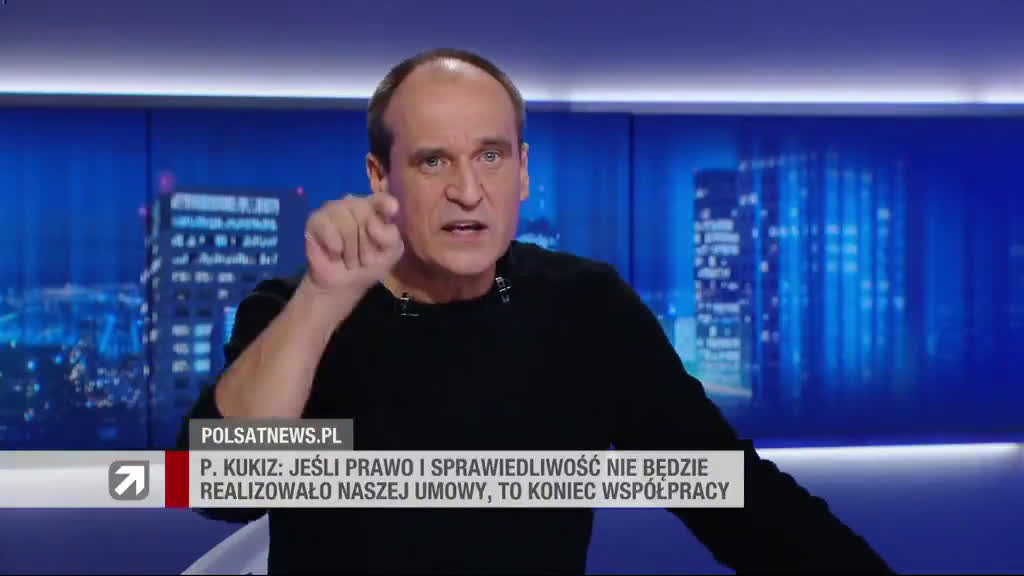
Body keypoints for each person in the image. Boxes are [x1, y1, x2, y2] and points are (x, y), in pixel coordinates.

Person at [178, 48, 892, 574]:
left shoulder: (584, 306)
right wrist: (324, 300)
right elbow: (222, 489)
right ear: (380, 177)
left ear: (522, 171)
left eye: (490, 157)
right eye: (433, 161)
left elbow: (734, 497)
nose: (468, 190)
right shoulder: (299, 311)